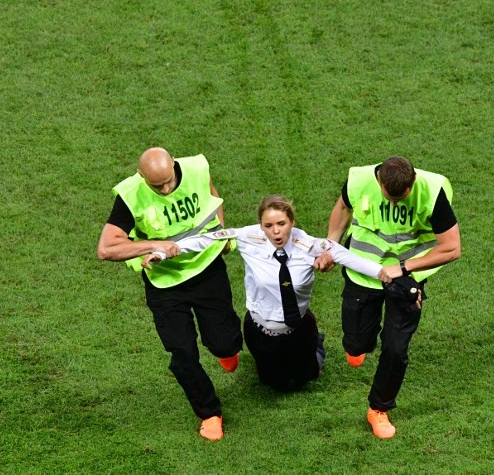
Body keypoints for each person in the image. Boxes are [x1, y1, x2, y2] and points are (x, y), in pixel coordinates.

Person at [144, 195, 403, 391]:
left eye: (281, 223)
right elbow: (207, 238)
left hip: (299, 328)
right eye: (268, 225)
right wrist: (165, 251)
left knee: (307, 377)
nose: (275, 231)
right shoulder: (248, 237)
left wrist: (385, 272)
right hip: (259, 330)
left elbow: (347, 257)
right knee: (273, 384)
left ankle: (317, 345)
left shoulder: (311, 245)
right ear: (261, 225)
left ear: (292, 221)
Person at [97, 147, 242, 441]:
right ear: (141, 176)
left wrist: (222, 234)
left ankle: (225, 352)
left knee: (225, 342)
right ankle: (209, 413)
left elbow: (213, 197)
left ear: (174, 164)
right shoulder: (130, 195)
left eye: (168, 181)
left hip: (208, 269)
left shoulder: (197, 169)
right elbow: (106, 249)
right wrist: (152, 245)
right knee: (182, 352)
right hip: (165, 285)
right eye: (156, 186)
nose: (165, 189)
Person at [315, 156, 461, 439]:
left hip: (406, 277)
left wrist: (404, 268)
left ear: (413, 182)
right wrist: (330, 246)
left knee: (396, 348)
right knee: (357, 343)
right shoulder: (359, 180)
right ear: (379, 180)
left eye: (401, 198)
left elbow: (452, 248)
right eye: (388, 197)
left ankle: (378, 409)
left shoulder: (432, 192)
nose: (394, 204)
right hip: (363, 271)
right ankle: (358, 347)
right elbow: (343, 207)